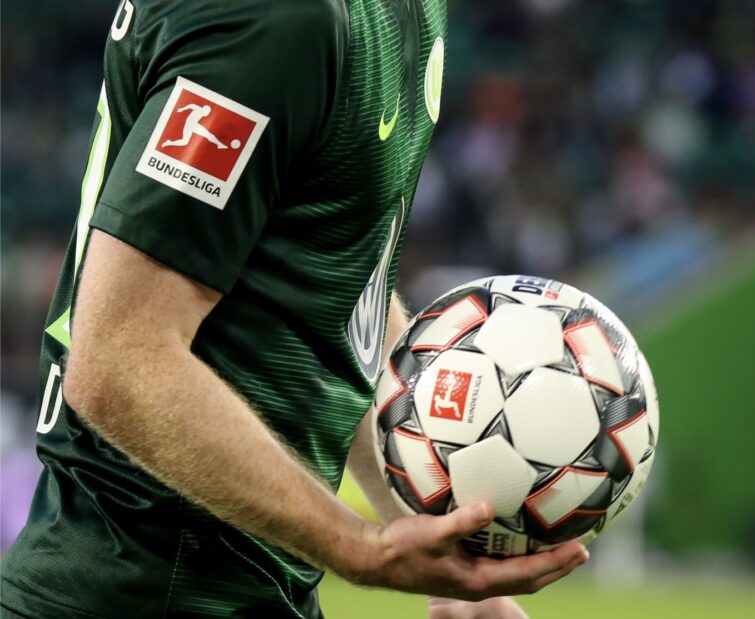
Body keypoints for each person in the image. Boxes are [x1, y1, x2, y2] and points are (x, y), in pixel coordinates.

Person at [0, 1, 587, 618]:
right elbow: (120, 357)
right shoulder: (274, 16)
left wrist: (434, 522)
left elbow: (342, 290)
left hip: (254, 588)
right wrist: (360, 548)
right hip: (140, 588)